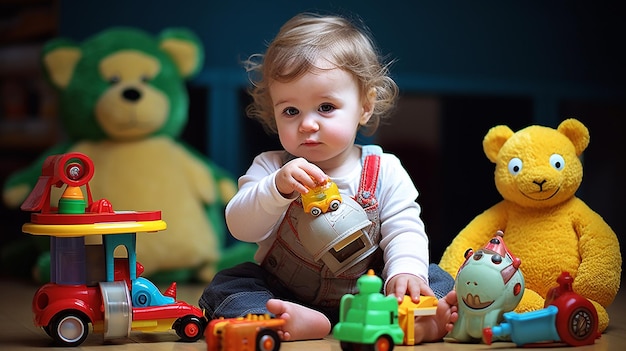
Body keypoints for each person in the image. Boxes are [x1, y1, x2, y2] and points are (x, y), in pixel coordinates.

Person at [199, 12, 458, 343]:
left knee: (434, 277)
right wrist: (277, 189)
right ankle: (291, 319)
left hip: (369, 293)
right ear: (274, 112)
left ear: (364, 106)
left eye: (325, 107)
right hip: (285, 291)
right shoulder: (270, 167)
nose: (307, 124)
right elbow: (241, 226)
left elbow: (405, 230)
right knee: (229, 283)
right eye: (291, 111)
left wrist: (405, 272)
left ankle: (414, 316)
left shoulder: (385, 169)